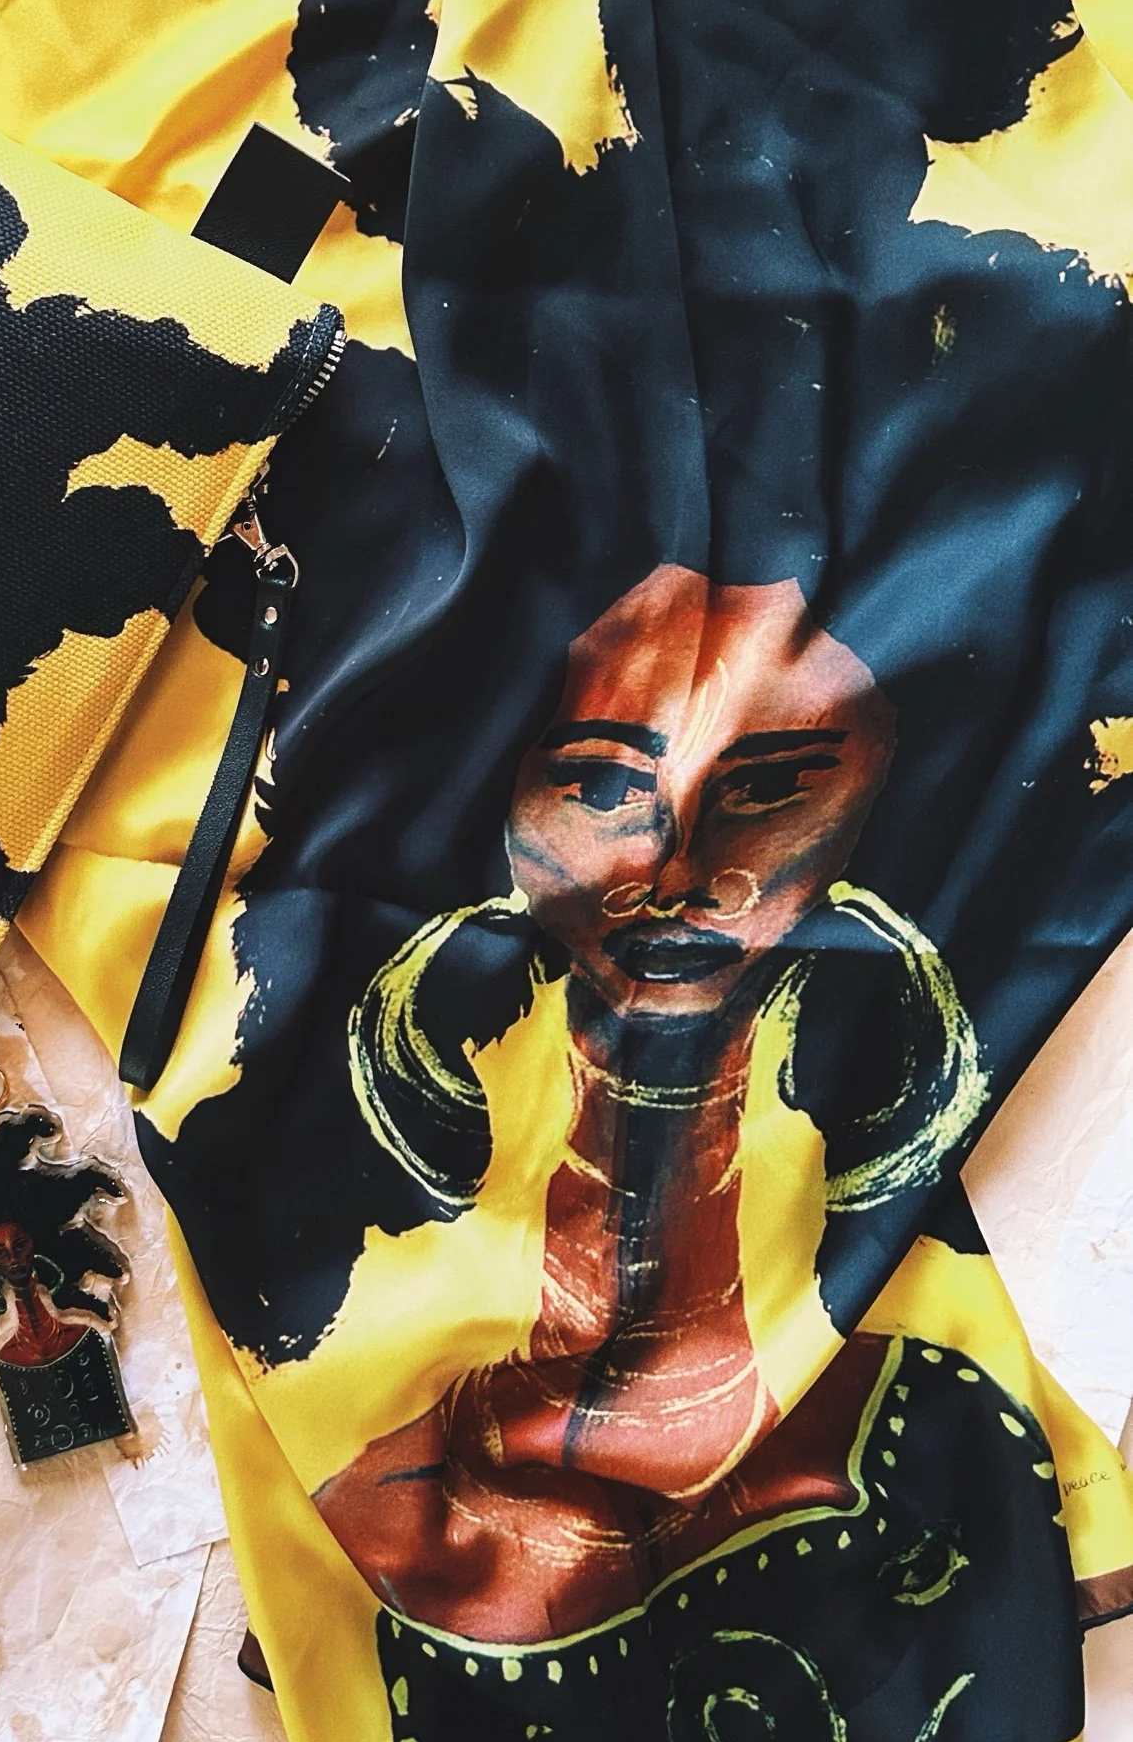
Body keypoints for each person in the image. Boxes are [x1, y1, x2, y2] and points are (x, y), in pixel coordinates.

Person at [320, 563, 982, 1643]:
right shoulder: (376, 1492)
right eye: (601, 787)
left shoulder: (938, 1431)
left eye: (767, 788)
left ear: (868, 803)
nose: (670, 869)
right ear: (504, 799)